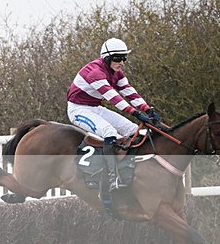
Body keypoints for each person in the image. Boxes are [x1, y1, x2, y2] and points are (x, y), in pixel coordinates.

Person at [67, 38, 161, 191]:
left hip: (95, 107)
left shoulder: (116, 72)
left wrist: (148, 109)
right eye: (118, 58)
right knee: (109, 132)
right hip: (78, 109)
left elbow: (129, 92)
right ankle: (111, 177)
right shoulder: (95, 73)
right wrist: (136, 113)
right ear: (107, 58)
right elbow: (114, 98)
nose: (122, 62)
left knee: (132, 129)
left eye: (124, 58)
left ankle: (129, 168)